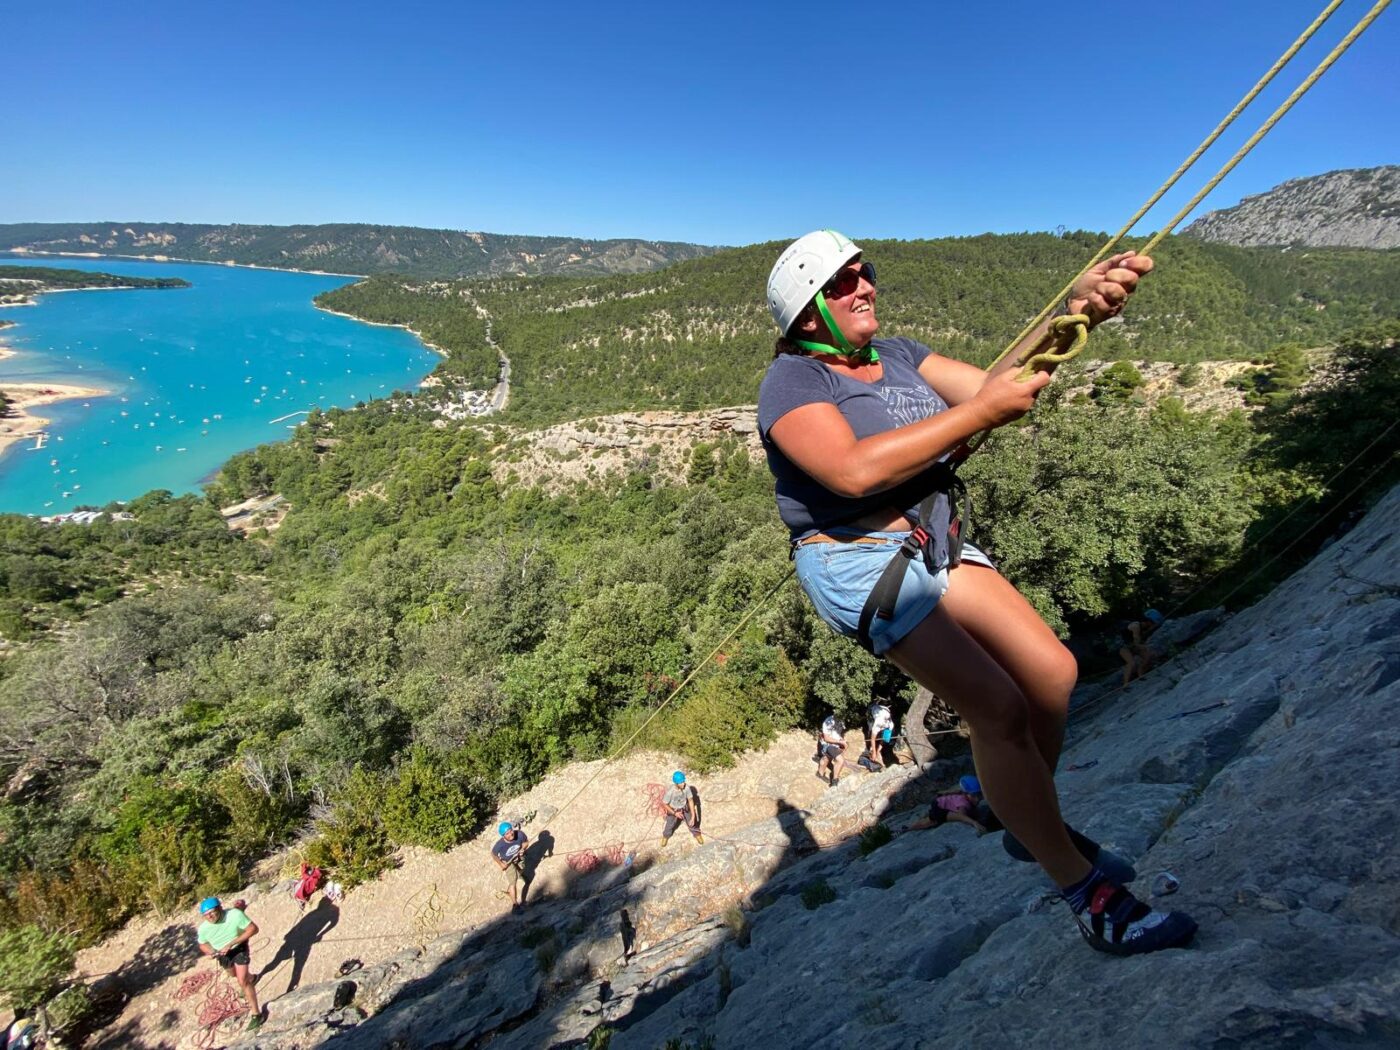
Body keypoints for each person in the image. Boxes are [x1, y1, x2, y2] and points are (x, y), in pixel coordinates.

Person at [758, 230, 1195, 956]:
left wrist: (1073, 313)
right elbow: (853, 472)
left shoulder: (899, 354)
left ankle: (1020, 814)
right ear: (809, 315)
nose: (864, 286)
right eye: (841, 283)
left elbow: (994, 384)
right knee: (996, 707)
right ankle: (1085, 893)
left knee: (1053, 673)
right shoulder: (794, 382)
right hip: (856, 559)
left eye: (864, 272)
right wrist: (980, 414)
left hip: (929, 537)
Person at [195, 897, 263, 1031]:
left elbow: (253, 929)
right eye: (206, 915)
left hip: (238, 947)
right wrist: (211, 952)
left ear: (220, 909)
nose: (209, 916)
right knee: (232, 974)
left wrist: (232, 943)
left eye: (212, 912)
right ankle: (252, 978)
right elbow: (202, 944)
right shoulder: (203, 929)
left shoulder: (234, 915)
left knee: (242, 981)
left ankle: (256, 1014)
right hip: (222, 953)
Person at [910, 774, 989, 834]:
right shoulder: (963, 803)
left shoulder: (966, 796)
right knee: (932, 822)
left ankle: (921, 820)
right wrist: (974, 823)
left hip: (940, 801)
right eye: (973, 796)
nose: (977, 798)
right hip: (939, 808)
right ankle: (909, 829)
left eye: (979, 794)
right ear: (965, 794)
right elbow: (961, 816)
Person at [1119, 608, 1165, 686]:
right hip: (1123, 647)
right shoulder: (1136, 626)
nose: (1153, 626)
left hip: (1131, 645)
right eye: (1153, 624)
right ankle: (1125, 684)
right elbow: (1136, 642)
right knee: (1131, 663)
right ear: (1149, 621)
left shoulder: (1142, 628)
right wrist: (1143, 646)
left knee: (1148, 656)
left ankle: (1140, 673)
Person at [659, 771, 705, 847]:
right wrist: (674, 813)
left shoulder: (686, 788)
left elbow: (690, 801)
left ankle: (696, 833)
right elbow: (664, 804)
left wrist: (693, 816)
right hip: (673, 809)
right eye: (681, 782)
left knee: (692, 822)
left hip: (684, 807)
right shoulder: (671, 792)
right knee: (669, 825)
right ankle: (666, 836)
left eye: (683, 781)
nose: (683, 784)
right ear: (676, 783)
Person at [491, 821, 530, 909]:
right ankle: (515, 905)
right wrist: (501, 864)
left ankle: (519, 876)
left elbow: (526, 842)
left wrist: (522, 849)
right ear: (503, 836)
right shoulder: (499, 845)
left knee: (522, 868)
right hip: (508, 862)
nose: (510, 834)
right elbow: (493, 854)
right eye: (507, 833)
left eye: (510, 831)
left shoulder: (520, 834)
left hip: (518, 857)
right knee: (513, 882)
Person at [816, 713, 848, 786]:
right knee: (840, 760)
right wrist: (840, 742)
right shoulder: (828, 721)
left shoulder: (841, 719)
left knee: (827, 757)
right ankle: (835, 781)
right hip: (828, 744)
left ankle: (820, 774)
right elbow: (827, 738)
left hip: (835, 743)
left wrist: (842, 740)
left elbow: (838, 733)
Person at [867, 701, 896, 769]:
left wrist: (878, 750)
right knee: (871, 732)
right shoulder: (878, 723)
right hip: (872, 710)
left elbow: (885, 739)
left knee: (886, 739)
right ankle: (871, 749)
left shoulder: (890, 725)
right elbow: (872, 739)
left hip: (883, 712)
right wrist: (874, 752)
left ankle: (879, 754)